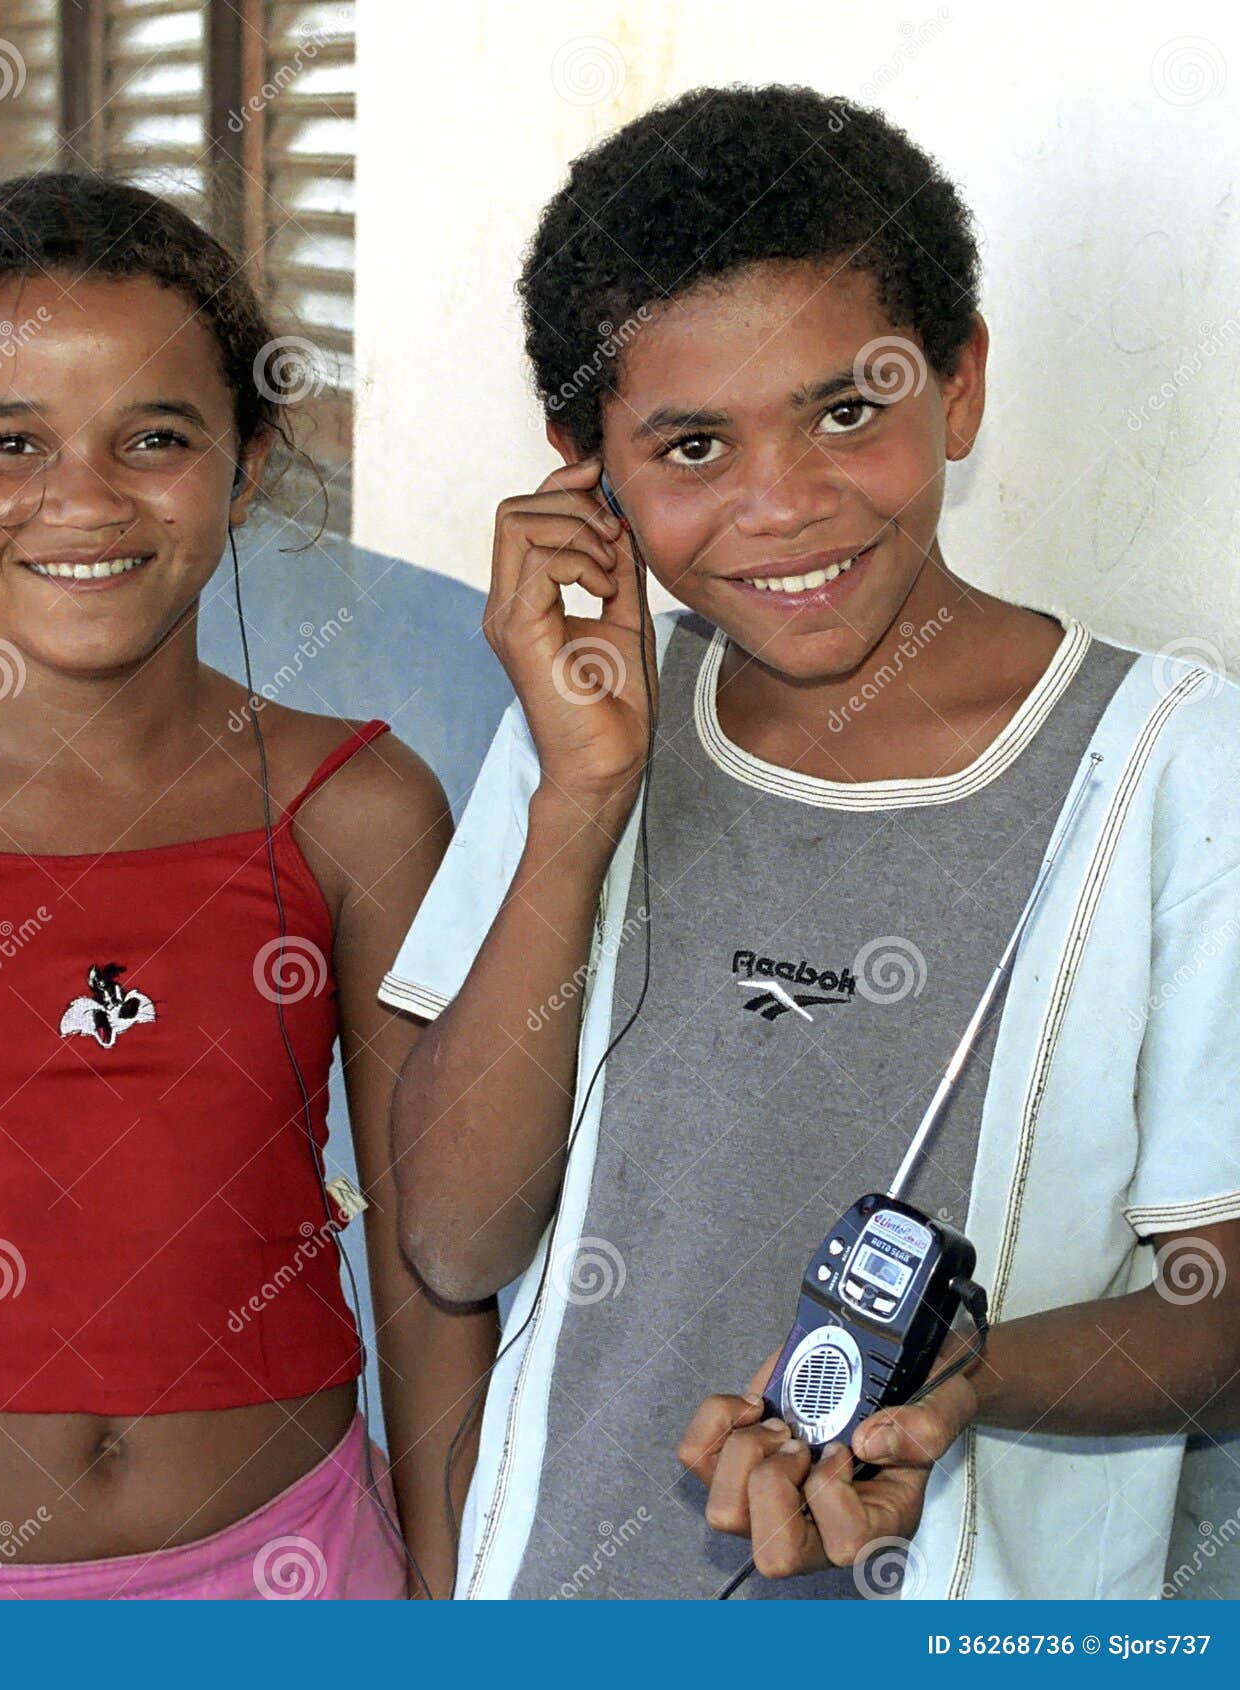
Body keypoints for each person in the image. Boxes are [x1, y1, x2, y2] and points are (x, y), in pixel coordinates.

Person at [382, 85, 1240, 1600]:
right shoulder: (580, 731)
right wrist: (584, 802)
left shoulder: (1172, 766)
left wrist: (965, 1382)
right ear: (587, 470)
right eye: (693, 445)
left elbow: (1217, 1312)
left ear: (957, 388)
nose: (783, 507)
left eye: (849, 410)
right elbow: (453, 1239)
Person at [0, 169, 496, 1600]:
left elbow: (433, 1277)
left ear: (242, 463)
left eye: (156, 436)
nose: (84, 498)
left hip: (295, 1563)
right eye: (9, 442)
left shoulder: (356, 809)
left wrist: (451, 1610)